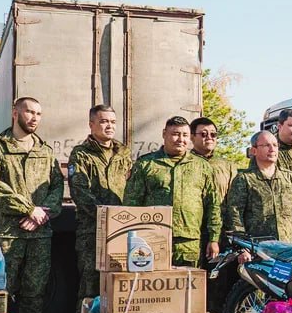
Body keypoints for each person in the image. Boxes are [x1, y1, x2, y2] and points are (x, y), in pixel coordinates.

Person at [0, 96, 64, 313]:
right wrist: (29, 209)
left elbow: (56, 187)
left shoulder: (44, 150)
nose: (34, 118)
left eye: (38, 114)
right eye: (29, 112)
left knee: (35, 292)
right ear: (15, 113)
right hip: (7, 235)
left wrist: (43, 214)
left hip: (39, 234)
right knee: (1, 292)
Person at [124, 116, 222, 267]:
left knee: (188, 288)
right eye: (175, 134)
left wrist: (214, 238)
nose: (180, 139)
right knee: (153, 287)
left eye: (184, 135)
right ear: (164, 134)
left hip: (189, 241)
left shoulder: (201, 166)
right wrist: (131, 239)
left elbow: (213, 205)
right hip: (152, 238)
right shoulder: (145, 164)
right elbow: (131, 203)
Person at [67, 104, 134, 302]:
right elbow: (80, 192)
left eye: (113, 122)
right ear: (92, 124)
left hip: (122, 230)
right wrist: (106, 217)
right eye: (104, 121)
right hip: (92, 231)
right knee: (90, 287)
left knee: (119, 284)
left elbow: (132, 188)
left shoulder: (123, 153)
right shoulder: (81, 154)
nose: (109, 126)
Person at [227, 131, 292, 245]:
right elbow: (235, 215)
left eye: (275, 145)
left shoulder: (290, 178)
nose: (272, 149)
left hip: (288, 247)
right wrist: (242, 247)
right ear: (254, 151)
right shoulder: (244, 179)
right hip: (257, 250)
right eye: (266, 145)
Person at [190, 116, 238, 252]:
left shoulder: (227, 166)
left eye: (213, 134)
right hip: (193, 229)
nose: (209, 137)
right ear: (192, 137)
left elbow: (234, 201)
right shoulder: (185, 164)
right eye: (203, 134)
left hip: (222, 231)